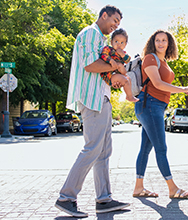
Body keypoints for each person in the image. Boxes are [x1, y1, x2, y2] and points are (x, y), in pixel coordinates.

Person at [55, 5, 130, 218]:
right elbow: (89, 65)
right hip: (92, 99)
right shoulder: (90, 33)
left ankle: (104, 199)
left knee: (104, 152)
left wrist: (113, 73)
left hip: (102, 98)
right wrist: (116, 67)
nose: (116, 25)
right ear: (103, 16)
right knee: (92, 149)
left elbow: (100, 68)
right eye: (114, 20)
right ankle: (66, 197)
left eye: (119, 23)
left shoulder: (101, 40)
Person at [132, 30, 188, 199]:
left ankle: (138, 188)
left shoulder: (163, 61)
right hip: (150, 105)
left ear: (169, 43)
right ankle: (173, 189)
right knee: (161, 148)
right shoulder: (150, 58)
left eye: (164, 40)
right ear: (153, 42)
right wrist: (182, 89)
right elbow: (158, 84)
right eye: (158, 40)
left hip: (155, 107)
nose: (161, 43)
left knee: (145, 149)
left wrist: (185, 90)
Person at [99, 28, 139, 102]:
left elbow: (128, 60)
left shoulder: (123, 53)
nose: (119, 44)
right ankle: (130, 97)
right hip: (109, 74)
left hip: (117, 74)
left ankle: (129, 94)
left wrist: (123, 55)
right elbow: (103, 55)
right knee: (126, 80)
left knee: (128, 79)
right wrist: (111, 61)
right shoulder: (109, 49)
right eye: (116, 41)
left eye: (122, 43)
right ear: (111, 42)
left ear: (125, 44)